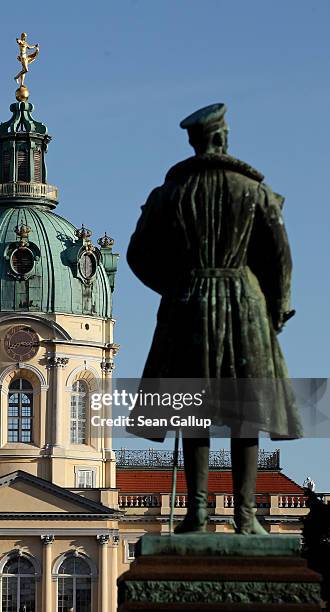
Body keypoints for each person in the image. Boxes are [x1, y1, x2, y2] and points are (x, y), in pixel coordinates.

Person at [127, 103, 302, 534]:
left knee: (192, 411)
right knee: (248, 411)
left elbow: (138, 255)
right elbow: (280, 258)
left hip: (187, 302)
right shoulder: (254, 191)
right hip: (244, 302)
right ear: (222, 138)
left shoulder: (167, 194)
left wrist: (175, 284)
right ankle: (246, 518)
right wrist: (277, 309)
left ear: (195, 142)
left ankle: (197, 513)